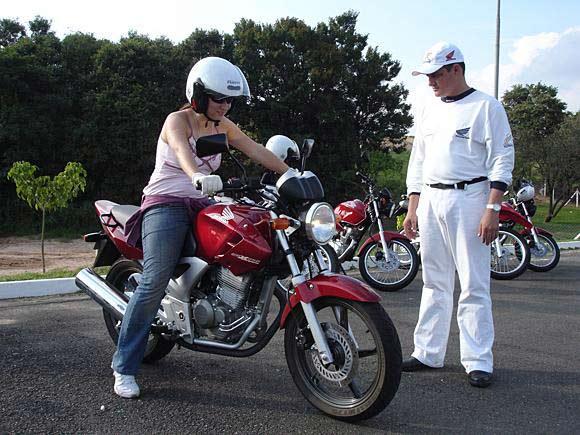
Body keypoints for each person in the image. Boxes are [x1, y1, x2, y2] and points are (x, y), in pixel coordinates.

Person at [112, 56, 290, 399]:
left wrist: (292, 175)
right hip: (165, 203)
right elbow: (181, 150)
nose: (224, 105)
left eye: (229, 100)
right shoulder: (177, 120)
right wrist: (196, 175)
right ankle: (124, 366)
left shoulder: (224, 125)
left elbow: (255, 149)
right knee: (153, 281)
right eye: (218, 98)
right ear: (198, 95)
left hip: (204, 203)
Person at [402, 42, 514, 388]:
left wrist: (492, 208)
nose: (430, 81)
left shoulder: (486, 107)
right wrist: (413, 206)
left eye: (436, 74)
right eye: (427, 75)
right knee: (434, 280)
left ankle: (478, 359)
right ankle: (428, 352)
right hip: (432, 198)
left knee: (473, 282)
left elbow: (502, 158)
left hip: (471, 198)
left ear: (456, 69)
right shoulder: (428, 108)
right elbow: (418, 160)